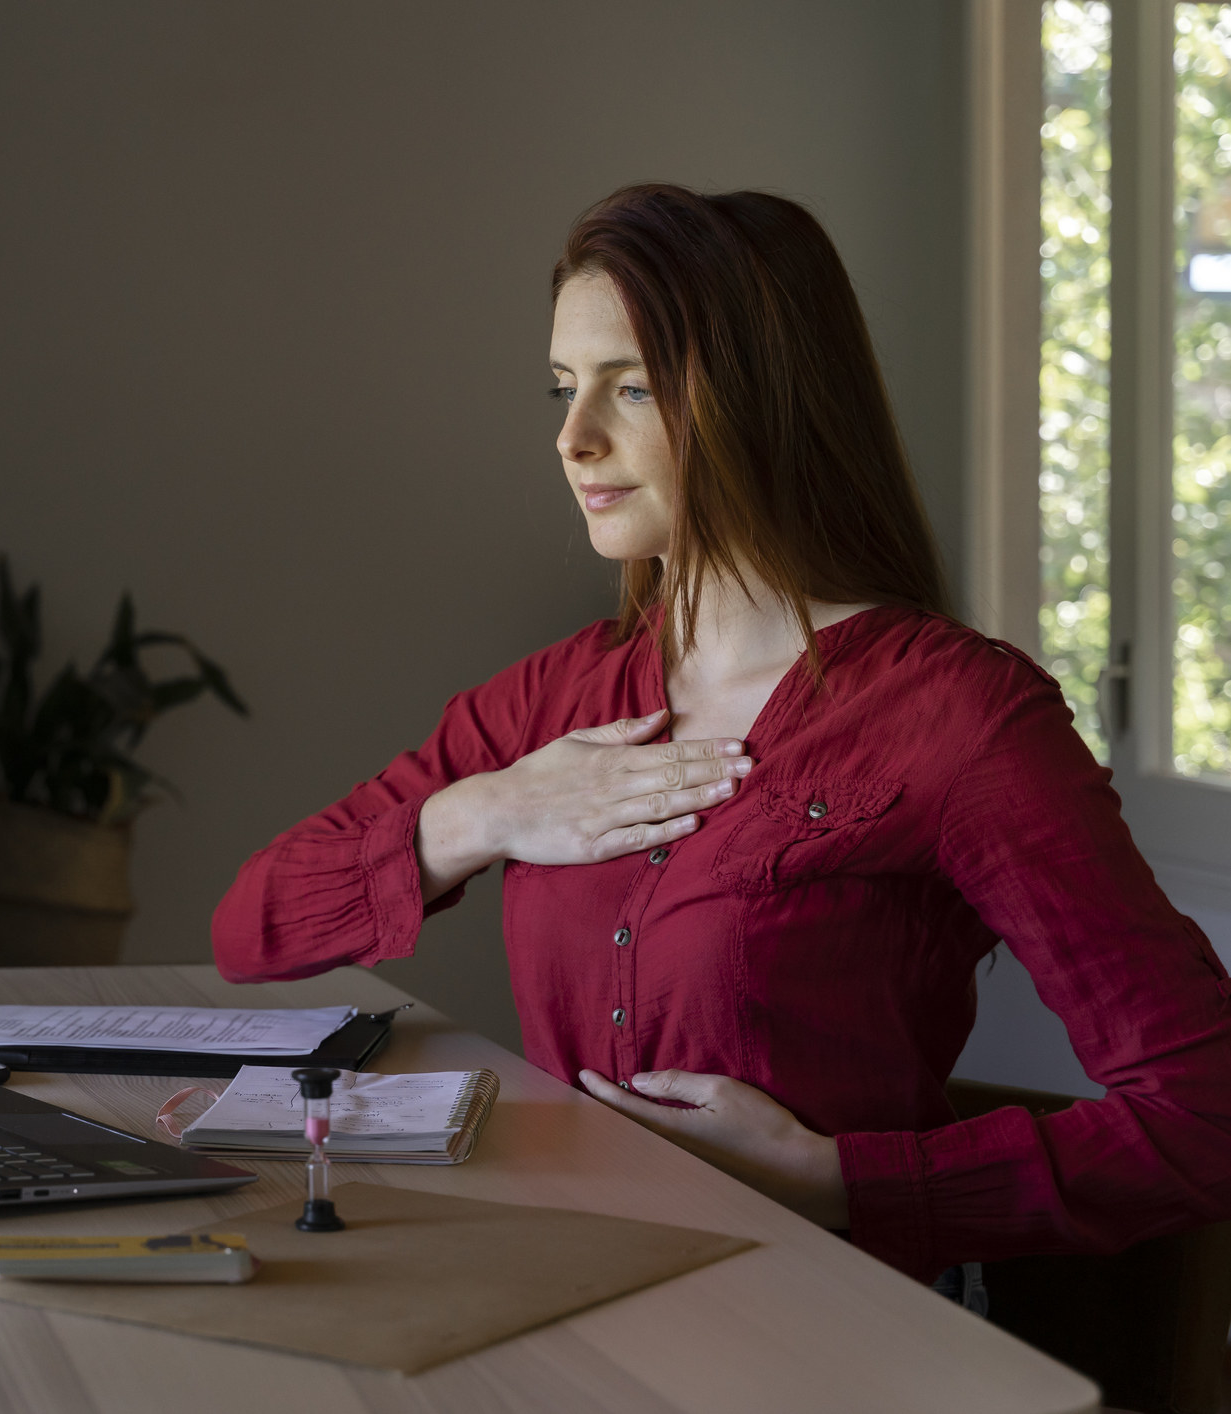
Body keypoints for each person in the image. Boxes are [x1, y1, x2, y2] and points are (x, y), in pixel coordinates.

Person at [211, 183, 1231, 1284]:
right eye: (562, 387)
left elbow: (1205, 1112)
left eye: (631, 388)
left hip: (835, 1328)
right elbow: (251, 928)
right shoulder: (551, 704)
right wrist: (487, 811)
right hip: (573, 1292)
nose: (572, 438)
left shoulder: (962, 719)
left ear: (760, 397)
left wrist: (841, 1181)